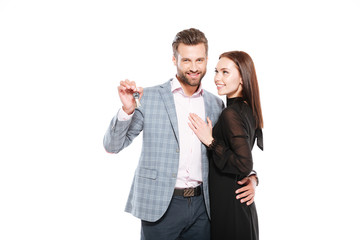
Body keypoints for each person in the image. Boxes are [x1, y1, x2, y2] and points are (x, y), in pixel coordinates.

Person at [103, 28, 258, 240]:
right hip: (160, 207)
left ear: (206, 61)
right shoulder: (149, 97)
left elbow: (233, 151)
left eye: (200, 60)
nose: (194, 68)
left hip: (204, 208)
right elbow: (112, 146)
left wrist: (252, 177)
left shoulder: (216, 104)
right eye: (186, 60)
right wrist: (126, 111)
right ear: (174, 59)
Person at [188, 51, 264, 240]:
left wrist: (210, 142)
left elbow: (243, 164)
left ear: (242, 78)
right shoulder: (246, 110)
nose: (217, 78)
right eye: (216, 71)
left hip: (231, 210)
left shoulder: (231, 113)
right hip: (234, 205)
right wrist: (253, 179)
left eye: (225, 72)